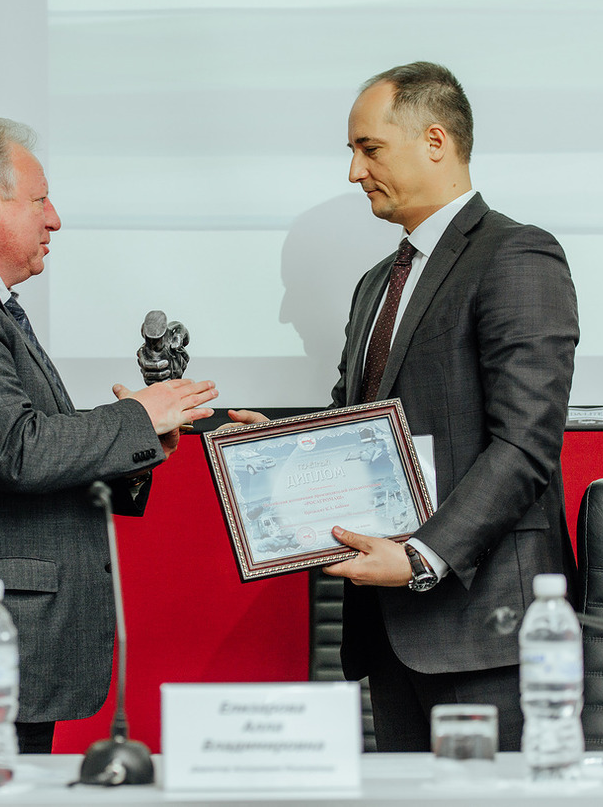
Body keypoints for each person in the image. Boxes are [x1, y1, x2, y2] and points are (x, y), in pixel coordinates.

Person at [230, 62, 579, 750]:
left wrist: (423, 555)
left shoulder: (515, 254)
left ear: (435, 141)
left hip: (485, 627)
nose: (354, 172)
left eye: (370, 149)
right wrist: (283, 448)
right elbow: (360, 426)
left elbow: (526, 442)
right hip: (387, 628)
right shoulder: (375, 284)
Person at [0, 115, 218, 755]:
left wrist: (139, 450)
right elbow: (20, 450)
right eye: (41, 200)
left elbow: (28, 447)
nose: (55, 220)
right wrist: (139, 417)